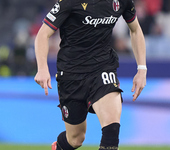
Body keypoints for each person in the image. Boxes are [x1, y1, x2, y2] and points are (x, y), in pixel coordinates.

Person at [34, 0, 147, 149]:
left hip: (103, 67)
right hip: (71, 73)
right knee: (75, 139)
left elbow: (135, 30)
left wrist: (142, 69)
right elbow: (43, 34)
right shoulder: (69, 2)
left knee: (112, 128)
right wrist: (42, 68)